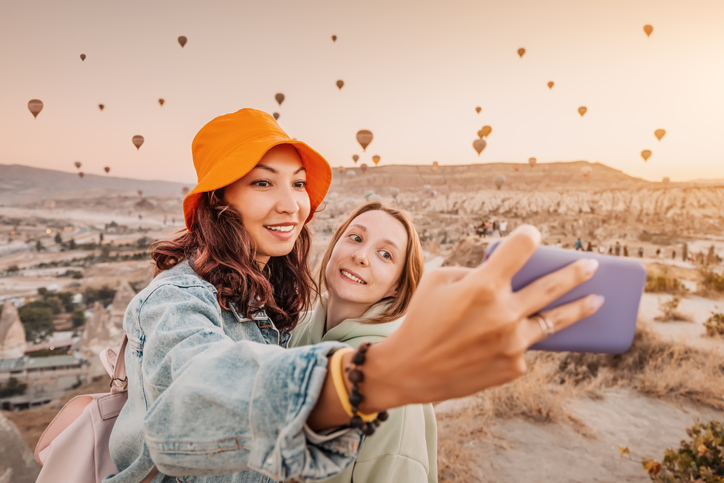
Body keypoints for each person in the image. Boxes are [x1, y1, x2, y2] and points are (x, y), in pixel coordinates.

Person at [106, 108, 604, 483]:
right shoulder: (176, 299)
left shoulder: (266, 305)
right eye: (262, 182)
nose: (291, 204)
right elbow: (193, 398)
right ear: (220, 201)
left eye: (299, 184)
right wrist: (373, 377)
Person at [291, 201, 433, 482]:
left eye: (385, 254)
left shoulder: (390, 379)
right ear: (333, 247)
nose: (361, 256)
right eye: (355, 238)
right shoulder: (289, 330)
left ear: (397, 286)